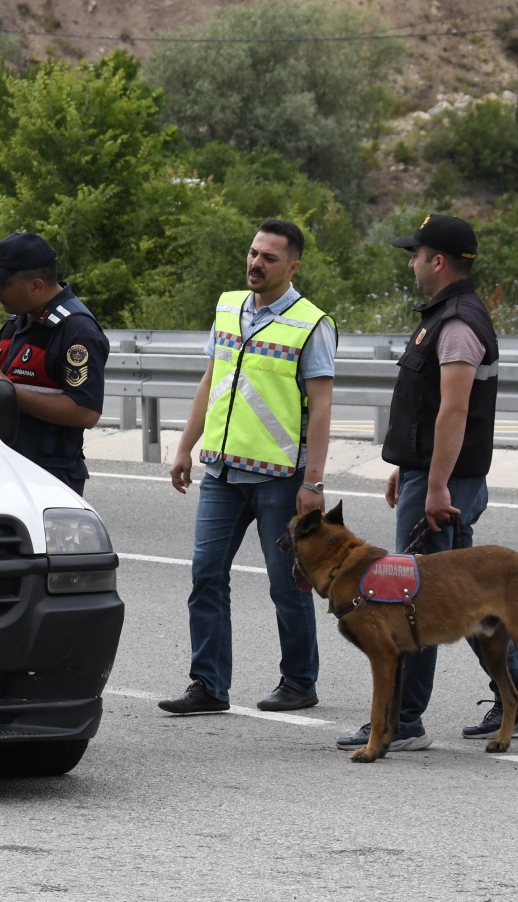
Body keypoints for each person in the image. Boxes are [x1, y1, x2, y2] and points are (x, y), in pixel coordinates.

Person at [336, 214, 518, 754]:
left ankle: (403, 721)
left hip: (446, 482)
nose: (411, 262)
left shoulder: (456, 324)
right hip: (435, 474)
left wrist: (436, 486)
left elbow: (454, 411)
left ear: (439, 261)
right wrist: (410, 465)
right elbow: (430, 411)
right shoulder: (448, 316)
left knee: (408, 596)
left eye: (417, 254)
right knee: (469, 595)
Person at [158, 219, 335, 716]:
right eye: (254, 253)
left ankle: (299, 681)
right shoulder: (228, 305)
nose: (256, 263)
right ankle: (209, 686)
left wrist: (313, 482)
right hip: (221, 472)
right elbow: (211, 378)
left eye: (270, 257)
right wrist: (185, 446)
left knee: (287, 583)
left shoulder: (311, 323)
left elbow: (321, 407)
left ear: (293, 266)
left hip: (279, 477)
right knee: (205, 575)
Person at [0, 232, 109, 495]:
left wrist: (9, 393)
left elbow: (86, 412)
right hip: (6, 467)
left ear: (36, 285)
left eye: (3, 284)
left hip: (50, 475)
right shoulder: (16, 323)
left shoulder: (76, 330)